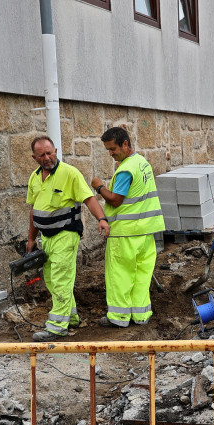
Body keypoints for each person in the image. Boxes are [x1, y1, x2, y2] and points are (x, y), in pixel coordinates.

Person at [26, 136, 110, 342]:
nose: (48, 157)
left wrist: (102, 219)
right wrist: (31, 239)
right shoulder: (34, 178)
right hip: (46, 238)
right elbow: (34, 211)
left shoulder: (70, 173)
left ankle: (57, 327)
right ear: (34, 157)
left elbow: (89, 199)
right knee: (52, 279)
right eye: (42, 155)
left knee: (61, 278)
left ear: (55, 150)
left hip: (66, 234)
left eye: (50, 152)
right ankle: (70, 316)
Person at [91, 127, 164, 327]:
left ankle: (119, 317)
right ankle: (141, 315)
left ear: (125, 144)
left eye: (113, 149)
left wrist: (99, 186)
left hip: (125, 234)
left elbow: (115, 200)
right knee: (142, 275)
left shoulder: (125, 170)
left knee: (120, 276)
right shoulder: (143, 163)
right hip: (145, 232)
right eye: (108, 150)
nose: (111, 153)